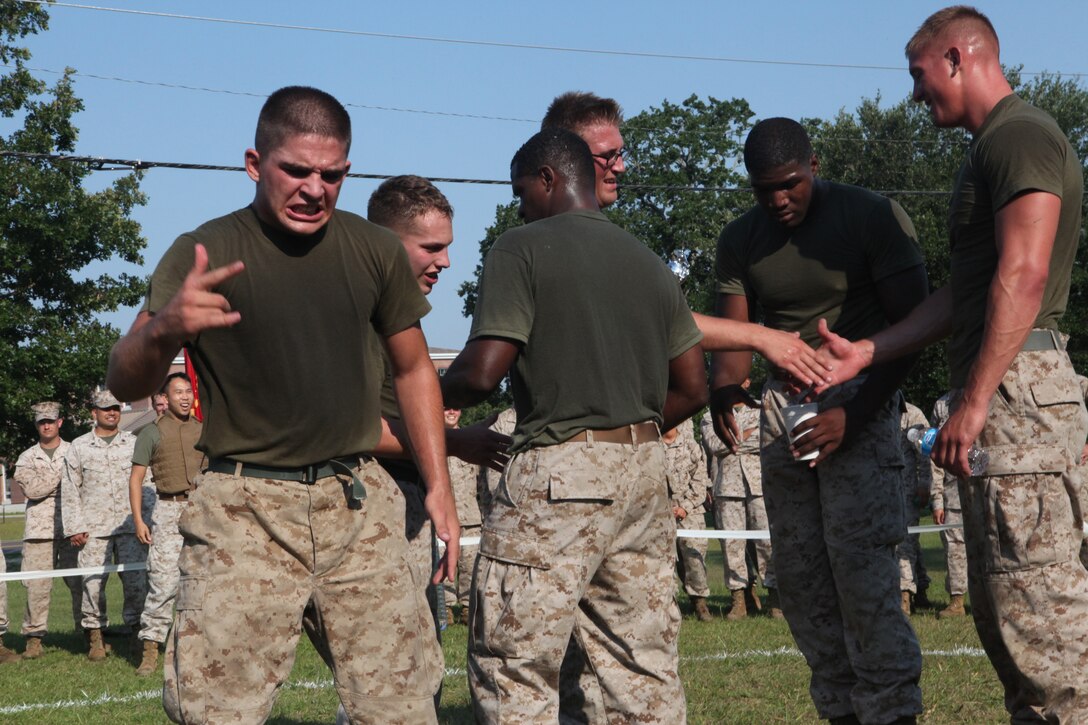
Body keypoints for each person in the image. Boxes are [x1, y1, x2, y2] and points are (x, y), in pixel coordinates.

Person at [105, 85, 457, 724]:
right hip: (244, 512)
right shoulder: (203, 251)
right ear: (254, 163)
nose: (314, 188)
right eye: (296, 169)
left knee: (403, 706)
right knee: (217, 712)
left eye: (333, 174)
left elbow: (413, 368)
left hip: (358, 507)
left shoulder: (374, 250)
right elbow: (126, 382)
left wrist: (439, 487)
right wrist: (162, 330)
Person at [817, 7, 1088, 721]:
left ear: (960, 57)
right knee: (1008, 628)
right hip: (1002, 390)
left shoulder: (1020, 135)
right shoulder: (990, 147)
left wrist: (974, 398)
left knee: (1047, 636)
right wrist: (873, 348)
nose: (915, 93)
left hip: (1017, 393)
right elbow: (969, 295)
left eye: (919, 74)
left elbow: (1023, 276)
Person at [442, 127, 707, 723]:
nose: (519, 207)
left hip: (560, 471)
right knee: (639, 665)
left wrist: (423, 392)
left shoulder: (520, 247)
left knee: (514, 664)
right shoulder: (649, 261)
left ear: (548, 178)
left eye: (521, 191)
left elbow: (484, 372)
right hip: (643, 472)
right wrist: (622, 426)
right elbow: (694, 386)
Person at [711, 117, 927, 724]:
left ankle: (892, 711)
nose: (778, 200)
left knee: (862, 574)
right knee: (802, 578)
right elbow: (735, 328)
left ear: (813, 163)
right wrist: (725, 387)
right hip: (784, 409)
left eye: (789, 184)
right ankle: (840, 710)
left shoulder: (870, 215)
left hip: (860, 390)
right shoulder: (741, 238)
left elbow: (911, 328)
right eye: (763, 189)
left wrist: (854, 416)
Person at [542, 91, 834, 384]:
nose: (620, 167)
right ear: (567, 158)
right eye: (607, 156)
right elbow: (662, 320)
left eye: (621, 154)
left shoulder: (605, 241)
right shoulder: (547, 245)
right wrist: (763, 338)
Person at [365, 174, 509, 636]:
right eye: (430, 247)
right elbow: (356, 429)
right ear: (386, 244)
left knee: (416, 657)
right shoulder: (359, 313)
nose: (445, 261)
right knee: (396, 658)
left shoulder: (399, 313)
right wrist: (453, 441)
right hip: (371, 501)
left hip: (407, 495)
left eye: (447, 247)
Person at [61, 390, 148, 661]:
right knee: (93, 583)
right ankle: (95, 636)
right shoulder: (79, 446)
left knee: (136, 582)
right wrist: (74, 526)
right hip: (93, 529)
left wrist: (144, 519)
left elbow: (147, 483)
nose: (112, 412)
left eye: (115, 408)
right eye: (105, 408)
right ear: (94, 413)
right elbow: (70, 488)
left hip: (129, 525)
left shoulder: (134, 443)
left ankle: (137, 633)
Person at [128, 373, 203, 676]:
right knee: (163, 584)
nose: (184, 397)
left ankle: (196, 648)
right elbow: (136, 479)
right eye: (178, 393)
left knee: (202, 583)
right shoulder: (151, 432)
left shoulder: (204, 429)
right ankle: (150, 649)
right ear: (166, 398)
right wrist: (138, 520)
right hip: (167, 510)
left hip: (200, 510)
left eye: (188, 391)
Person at [13, 401, 83, 658]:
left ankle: (88, 633)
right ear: (36, 425)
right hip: (39, 532)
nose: (46, 425)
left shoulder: (76, 450)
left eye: (51, 421)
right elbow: (32, 490)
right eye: (42, 421)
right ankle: (34, 640)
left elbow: (84, 485)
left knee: (81, 583)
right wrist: (63, 477)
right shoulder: (26, 458)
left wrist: (51, 481)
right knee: (37, 587)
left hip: (72, 527)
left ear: (59, 422)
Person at [709, 380, 781, 620]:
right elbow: (714, 445)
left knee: (767, 542)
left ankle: (775, 599)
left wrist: (732, 440)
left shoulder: (762, 408)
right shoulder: (713, 412)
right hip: (727, 488)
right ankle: (739, 600)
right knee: (731, 545)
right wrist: (748, 437)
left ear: (747, 380)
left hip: (759, 485)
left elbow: (769, 437)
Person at [664, 419, 713, 621]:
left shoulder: (691, 446)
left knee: (694, 556)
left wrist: (685, 507)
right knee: (664, 561)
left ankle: (700, 604)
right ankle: (668, 606)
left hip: (690, 510)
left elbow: (700, 480)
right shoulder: (651, 447)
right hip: (660, 511)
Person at [441, 408, 481, 625]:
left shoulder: (470, 442)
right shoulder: (433, 443)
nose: (451, 412)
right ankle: (444, 608)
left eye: (456, 407)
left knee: (470, 564)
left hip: (470, 516)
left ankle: (467, 608)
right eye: (447, 407)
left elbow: (481, 481)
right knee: (442, 563)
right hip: (440, 519)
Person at [928, 392, 967, 618]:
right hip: (953, 493)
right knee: (954, 550)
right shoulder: (942, 406)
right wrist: (937, 500)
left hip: (989, 490)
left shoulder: (994, 394)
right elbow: (934, 455)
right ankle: (957, 601)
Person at [897, 400, 933, 615]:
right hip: (883, 491)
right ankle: (921, 590)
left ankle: (904, 597)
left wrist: (924, 484)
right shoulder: (874, 411)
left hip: (907, 492)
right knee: (909, 543)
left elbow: (926, 454)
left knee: (904, 544)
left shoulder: (913, 414)